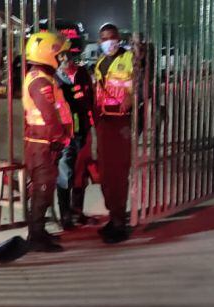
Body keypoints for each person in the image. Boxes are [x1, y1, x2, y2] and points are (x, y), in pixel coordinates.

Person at [22, 30, 73, 252]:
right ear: (45, 54)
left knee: (44, 189)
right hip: (43, 144)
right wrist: (60, 137)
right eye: (59, 54)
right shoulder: (40, 81)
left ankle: (39, 231)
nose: (62, 59)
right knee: (42, 190)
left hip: (43, 143)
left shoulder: (41, 77)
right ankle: (35, 237)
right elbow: (49, 114)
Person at [93, 23, 135, 244]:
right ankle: (113, 215)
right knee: (106, 174)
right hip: (104, 122)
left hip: (121, 123)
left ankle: (120, 221)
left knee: (118, 173)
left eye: (111, 37)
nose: (108, 41)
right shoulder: (100, 63)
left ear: (118, 38)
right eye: (103, 38)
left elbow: (141, 82)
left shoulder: (129, 59)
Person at [55, 29, 94, 230]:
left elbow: (91, 101)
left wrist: (91, 127)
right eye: (60, 54)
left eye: (67, 53)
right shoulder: (53, 78)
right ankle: (65, 216)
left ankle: (78, 211)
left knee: (81, 172)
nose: (65, 58)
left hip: (83, 131)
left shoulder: (82, 74)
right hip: (64, 134)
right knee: (64, 174)